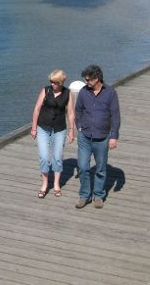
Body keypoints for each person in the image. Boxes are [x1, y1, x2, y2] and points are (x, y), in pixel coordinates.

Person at [74, 64, 120, 209]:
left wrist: (114, 136)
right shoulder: (83, 92)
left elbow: (115, 115)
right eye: (85, 79)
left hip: (103, 137)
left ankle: (98, 195)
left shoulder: (110, 92)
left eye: (88, 80)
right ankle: (84, 195)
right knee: (82, 167)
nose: (86, 82)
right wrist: (79, 127)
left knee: (100, 168)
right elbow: (78, 111)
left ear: (97, 78)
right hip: (85, 136)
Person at [30, 69, 75, 198]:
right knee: (44, 157)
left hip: (59, 129)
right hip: (43, 127)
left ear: (60, 82)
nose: (52, 84)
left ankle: (56, 184)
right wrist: (33, 128)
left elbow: (71, 113)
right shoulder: (46, 90)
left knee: (57, 157)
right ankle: (44, 184)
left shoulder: (67, 93)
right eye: (51, 81)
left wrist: (72, 130)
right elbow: (37, 109)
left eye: (54, 82)